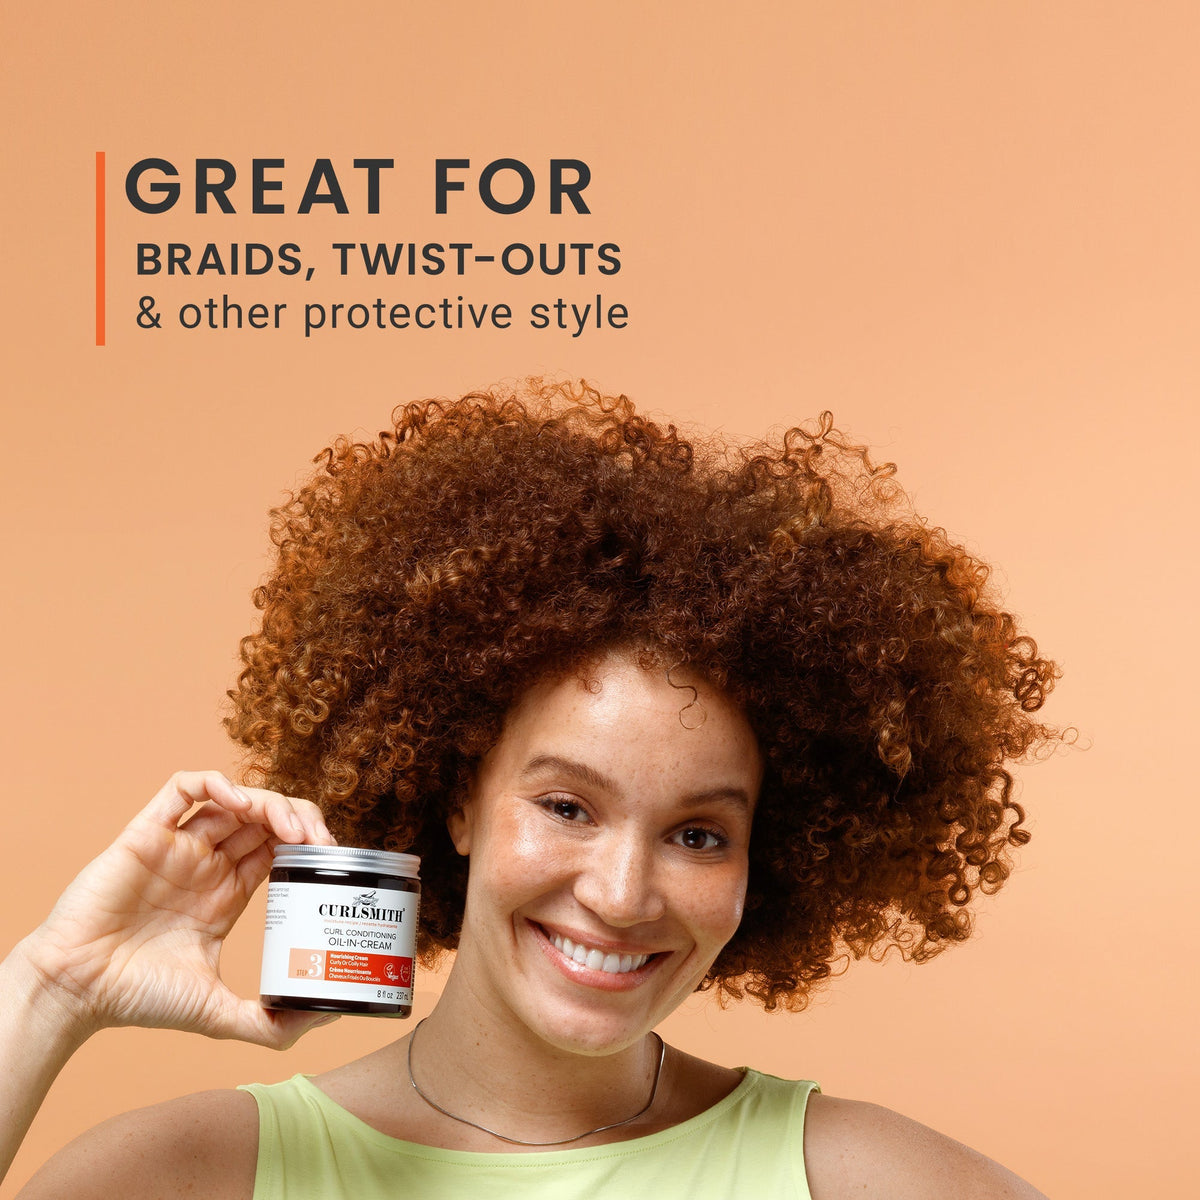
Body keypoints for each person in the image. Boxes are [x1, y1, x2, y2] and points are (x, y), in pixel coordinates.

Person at [1, 382, 1059, 1198]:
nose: (623, 892)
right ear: (457, 796)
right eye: (567, 807)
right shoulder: (204, 1174)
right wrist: (52, 987)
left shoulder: (850, 1177)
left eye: (698, 834)